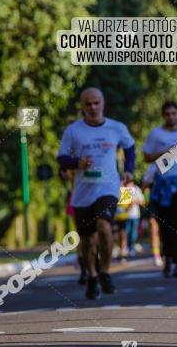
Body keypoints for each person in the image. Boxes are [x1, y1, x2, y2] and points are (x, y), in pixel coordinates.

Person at [57, 87, 135, 300]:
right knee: (88, 240)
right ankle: (91, 275)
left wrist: (129, 169)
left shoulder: (116, 128)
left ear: (103, 103)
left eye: (96, 103)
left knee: (104, 226)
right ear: (82, 106)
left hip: (108, 187)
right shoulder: (73, 131)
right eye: (88, 104)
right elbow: (61, 158)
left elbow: (130, 147)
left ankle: (106, 271)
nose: (92, 107)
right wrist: (76, 163)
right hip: (83, 192)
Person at [144, 101, 177, 278]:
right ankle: (167, 257)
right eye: (167, 114)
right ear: (163, 116)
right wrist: (166, 152)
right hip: (161, 186)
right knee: (164, 225)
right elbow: (147, 157)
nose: (171, 117)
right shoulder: (155, 134)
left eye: (174, 113)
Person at [142, 163, 163, 267]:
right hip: (154, 202)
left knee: (164, 230)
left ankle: (167, 254)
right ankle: (156, 255)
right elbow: (144, 185)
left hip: (168, 200)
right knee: (153, 228)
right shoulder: (153, 167)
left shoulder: (175, 165)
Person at [117, 184, 143, 261]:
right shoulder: (123, 188)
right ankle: (124, 250)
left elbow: (141, 201)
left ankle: (130, 247)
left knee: (132, 233)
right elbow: (124, 204)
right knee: (125, 233)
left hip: (135, 215)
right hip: (124, 216)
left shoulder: (136, 189)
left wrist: (133, 201)